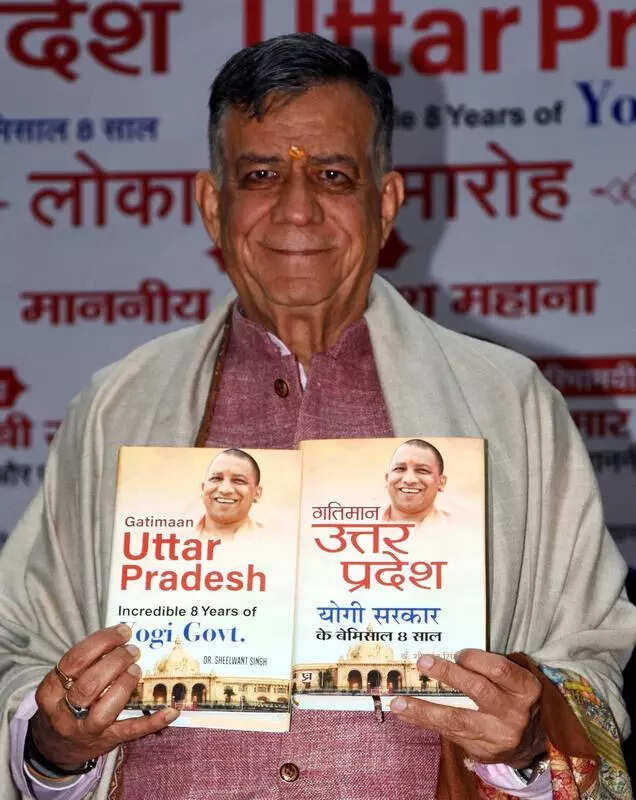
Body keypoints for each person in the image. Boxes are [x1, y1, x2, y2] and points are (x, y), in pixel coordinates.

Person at [1, 32, 634, 800]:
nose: (296, 210)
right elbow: (18, 650)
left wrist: (528, 735)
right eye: (261, 175)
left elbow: (591, 658)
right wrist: (54, 745)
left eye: (333, 176)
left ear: (385, 204)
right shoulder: (117, 407)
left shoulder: (507, 404)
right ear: (212, 204)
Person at [382, 438, 450, 528]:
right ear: (387, 479)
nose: (409, 480)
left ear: (441, 482)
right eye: (400, 468)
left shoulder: (459, 528)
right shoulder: (366, 521)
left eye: (422, 470)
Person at [196, 448, 263, 538]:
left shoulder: (273, 539)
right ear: (202, 488)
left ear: (257, 493)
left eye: (238, 480)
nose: (225, 490)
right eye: (216, 478)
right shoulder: (180, 535)